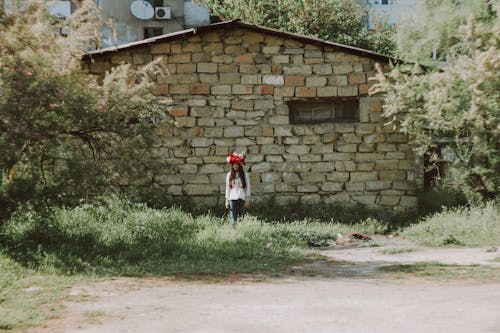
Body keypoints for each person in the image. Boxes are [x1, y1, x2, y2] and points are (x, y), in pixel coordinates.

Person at [225, 152, 250, 227]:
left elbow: (248, 187)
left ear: (240, 164)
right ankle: (233, 234)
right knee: (233, 219)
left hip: (242, 198)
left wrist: (247, 200)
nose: (235, 166)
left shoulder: (245, 175)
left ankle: (242, 233)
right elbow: (228, 188)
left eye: (237, 164)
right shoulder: (229, 175)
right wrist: (227, 200)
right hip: (232, 199)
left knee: (241, 218)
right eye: (234, 164)